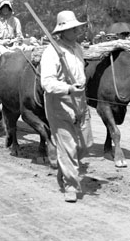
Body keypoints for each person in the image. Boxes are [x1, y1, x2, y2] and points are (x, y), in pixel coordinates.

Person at [40, 10, 93, 203]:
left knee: (85, 145)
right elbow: (46, 82)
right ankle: (71, 186)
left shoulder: (78, 48)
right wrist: (69, 88)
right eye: (71, 28)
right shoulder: (51, 52)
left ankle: (64, 168)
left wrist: (79, 89)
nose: (76, 31)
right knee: (68, 147)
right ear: (61, 32)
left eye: (76, 27)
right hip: (59, 103)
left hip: (80, 102)